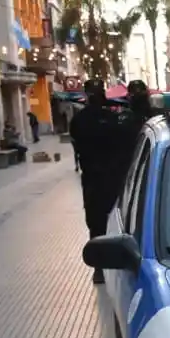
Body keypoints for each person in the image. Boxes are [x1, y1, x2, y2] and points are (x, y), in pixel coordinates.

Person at [69, 79, 124, 284]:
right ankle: (108, 265)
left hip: (93, 179)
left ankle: (100, 268)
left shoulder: (79, 120)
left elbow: (77, 145)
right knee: (114, 219)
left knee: (95, 222)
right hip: (111, 177)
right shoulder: (112, 118)